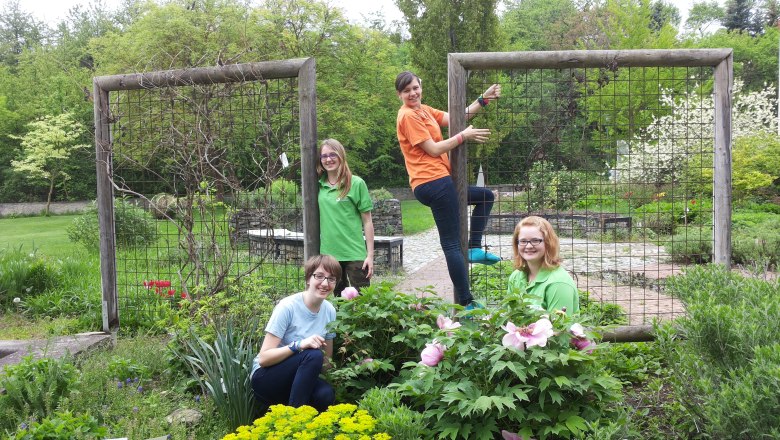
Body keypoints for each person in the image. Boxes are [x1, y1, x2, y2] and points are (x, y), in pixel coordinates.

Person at [394, 70, 500, 308]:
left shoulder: (424, 110)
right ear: (399, 94)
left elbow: (457, 117)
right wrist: (463, 136)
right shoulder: (408, 116)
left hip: (441, 181)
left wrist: (483, 99)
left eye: (415, 88)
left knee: (485, 196)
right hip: (432, 182)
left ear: (421, 86)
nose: (412, 93)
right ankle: (467, 302)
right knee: (451, 243)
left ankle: (473, 248)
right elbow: (433, 149)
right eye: (406, 90)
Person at [250, 254, 340, 411]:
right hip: (266, 378)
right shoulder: (287, 307)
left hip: (299, 380)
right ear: (308, 279)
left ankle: (308, 425)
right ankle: (294, 421)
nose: (325, 283)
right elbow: (264, 358)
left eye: (331, 279)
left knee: (325, 394)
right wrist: (298, 345)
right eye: (319, 276)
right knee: (313, 354)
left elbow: (327, 363)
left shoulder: (329, 310)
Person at [317, 138, 374, 296]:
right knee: (339, 303)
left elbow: (367, 221)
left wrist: (370, 255)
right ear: (320, 160)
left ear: (341, 155)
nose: (328, 159)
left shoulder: (356, 183)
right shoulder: (317, 185)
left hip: (355, 255)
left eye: (333, 154)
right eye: (324, 156)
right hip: (330, 255)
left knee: (364, 302)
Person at [506, 216, 579, 314]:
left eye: (535, 240)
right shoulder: (516, 277)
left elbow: (560, 328)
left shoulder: (558, 283)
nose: (528, 246)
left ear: (549, 243)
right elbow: (510, 316)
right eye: (523, 241)